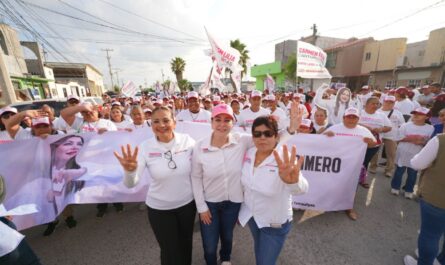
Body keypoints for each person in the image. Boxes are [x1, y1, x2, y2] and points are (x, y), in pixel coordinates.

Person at [191, 102, 301, 265]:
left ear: (233, 123)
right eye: (218, 119)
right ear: (211, 121)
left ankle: (226, 259)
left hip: (234, 202)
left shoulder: (242, 140)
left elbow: (268, 139)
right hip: (210, 203)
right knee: (209, 244)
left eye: (227, 120)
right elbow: (195, 177)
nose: (222, 124)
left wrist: (291, 129)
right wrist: (201, 207)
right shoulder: (200, 146)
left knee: (228, 236)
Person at [115, 106, 197, 265]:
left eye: (166, 120)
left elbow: (201, 167)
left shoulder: (187, 141)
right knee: (170, 251)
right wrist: (129, 171)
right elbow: (131, 183)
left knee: (186, 245)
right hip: (159, 209)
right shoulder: (145, 147)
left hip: (187, 206)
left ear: (175, 122)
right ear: (151, 125)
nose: (161, 125)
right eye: (156, 122)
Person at [238, 116, 308, 265]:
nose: (262, 138)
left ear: (276, 136)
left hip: (274, 222)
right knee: (259, 251)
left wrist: (293, 182)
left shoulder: (285, 158)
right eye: (257, 134)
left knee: (265, 261)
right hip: (252, 217)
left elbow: (302, 189)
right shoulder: (249, 153)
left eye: (268, 133)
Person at [60, 102, 121, 217]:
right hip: (88, 161)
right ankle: (102, 206)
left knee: (110, 182)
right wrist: (82, 107)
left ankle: (117, 202)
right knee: (97, 184)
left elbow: (116, 138)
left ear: (97, 110)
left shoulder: (107, 122)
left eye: (91, 110)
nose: (88, 113)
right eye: (85, 112)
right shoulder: (79, 124)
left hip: (106, 158)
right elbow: (64, 114)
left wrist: (107, 133)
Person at [324, 107, 377, 220]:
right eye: (349, 117)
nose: (351, 119)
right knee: (333, 183)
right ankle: (328, 203)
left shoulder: (363, 130)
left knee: (351, 185)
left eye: (354, 117)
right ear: (343, 118)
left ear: (358, 119)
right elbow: (321, 142)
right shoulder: (335, 128)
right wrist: (326, 136)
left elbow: (374, 144)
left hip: (353, 164)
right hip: (335, 162)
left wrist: (370, 142)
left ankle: (348, 207)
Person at [403, 133, 445, 265]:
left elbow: (417, 163)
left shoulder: (440, 139)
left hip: (437, 197)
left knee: (430, 235)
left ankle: (425, 262)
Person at [44, 135, 86, 236]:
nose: (42, 129)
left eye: (44, 126)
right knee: (46, 200)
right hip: (42, 172)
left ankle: (68, 217)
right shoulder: (28, 136)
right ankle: (52, 221)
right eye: (38, 127)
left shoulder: (59, 134)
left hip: (60, 169)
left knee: (62, 196)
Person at [391, 107, 434, 199]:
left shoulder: (430, 128)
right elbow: (397, 137)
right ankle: (395, 187)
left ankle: (409, 190)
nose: (416, 115)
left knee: (413, 173)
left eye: (420, 114)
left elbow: (430, 142)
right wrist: (410, 139)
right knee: (399, 171)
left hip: (417, 154)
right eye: (415, 113)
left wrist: (422, 142)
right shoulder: (406, 125)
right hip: (403, 152)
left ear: (427, 117)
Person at [358, 97, 392, 187]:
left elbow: (389, 127)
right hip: (358, 143)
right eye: (373, 103)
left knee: (365, 162)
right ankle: (351, 178)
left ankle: (362, 179)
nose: (376, 105)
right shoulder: (359, 113)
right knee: (356, 161)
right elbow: (351, 122)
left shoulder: (381, 115)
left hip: (374, 144)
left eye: (377, 104)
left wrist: (381, 129)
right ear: (367, 104)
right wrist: (367, 127)